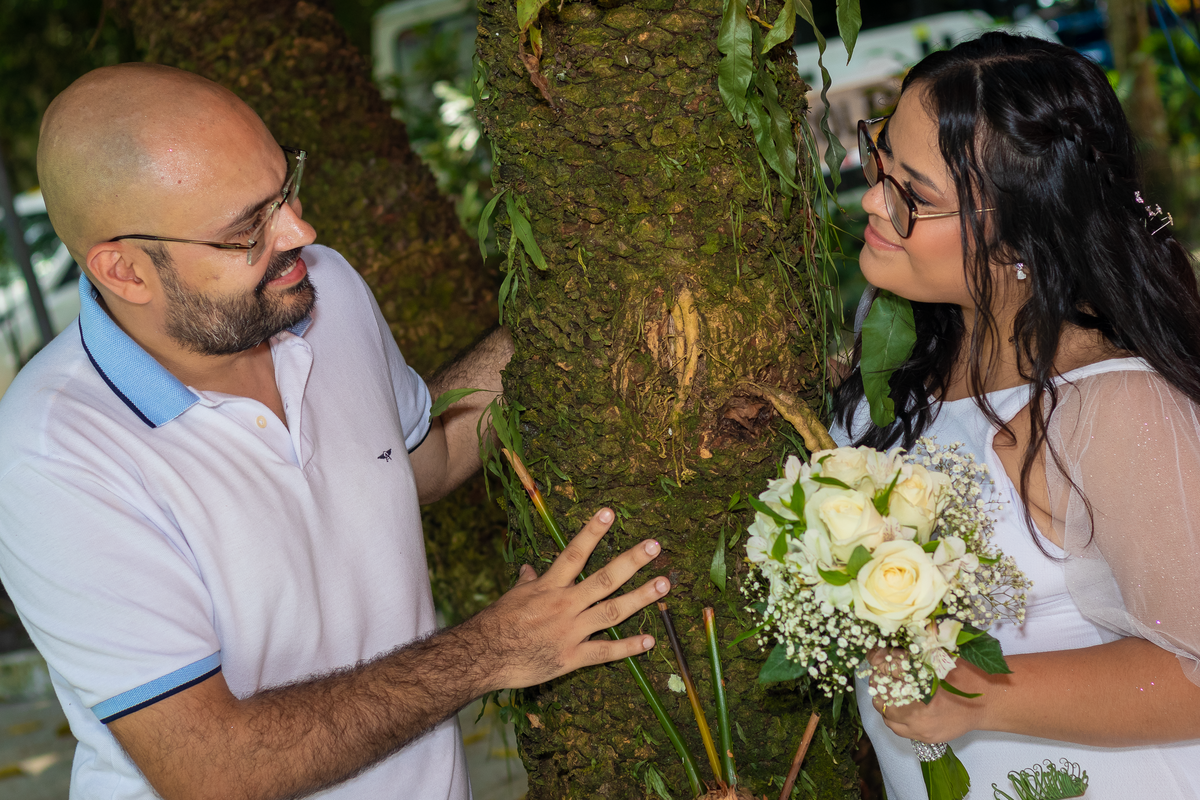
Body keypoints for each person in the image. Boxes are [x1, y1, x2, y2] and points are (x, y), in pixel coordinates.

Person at [0, 63, 671, 800]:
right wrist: (494, 649)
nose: (301, 231)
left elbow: (421, 458)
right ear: (125, 271)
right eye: (247, 227)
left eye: (285, 188)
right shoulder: (52, 451)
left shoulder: (323, 288)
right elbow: (212, 767)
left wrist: (572, 311)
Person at [831, 32, 1200, 798]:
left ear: (1021, 236)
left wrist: (977, 694)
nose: (873, 199)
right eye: (880, 160)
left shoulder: (1114, 405)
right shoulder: (899, 376)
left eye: (914, 196)